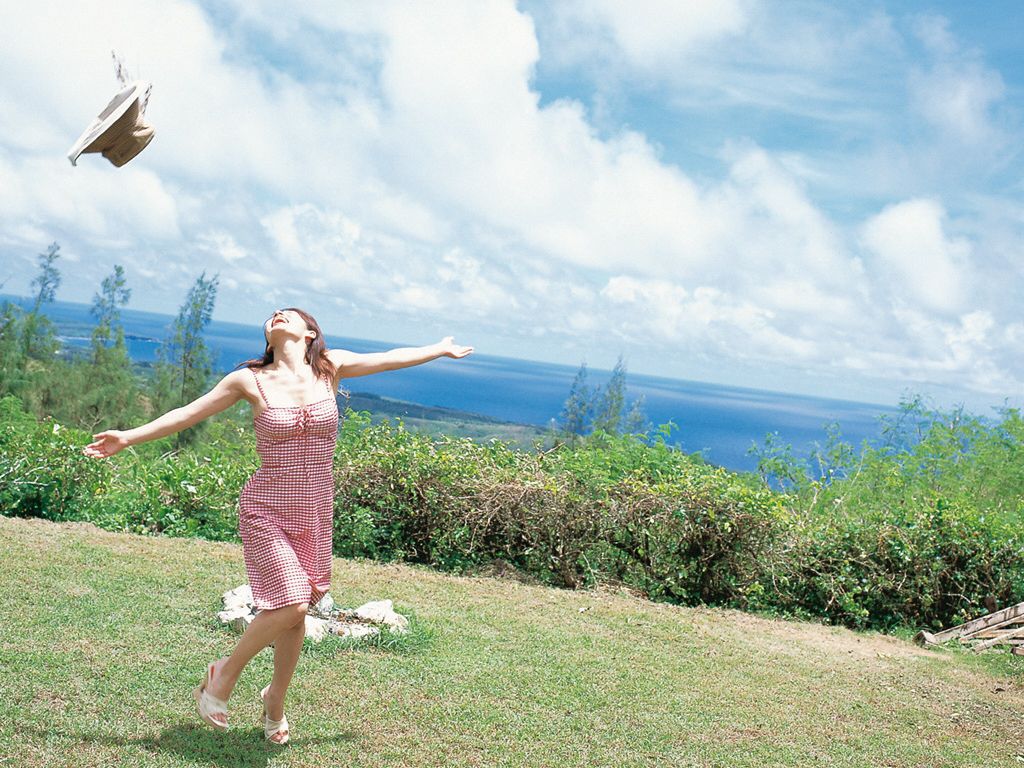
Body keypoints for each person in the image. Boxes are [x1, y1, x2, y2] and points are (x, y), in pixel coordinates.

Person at [83, 307, 473, 744]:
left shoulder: (331, 367)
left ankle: (276, 701)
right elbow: (188, 413)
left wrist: (438, 349)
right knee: (289, 602)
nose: (278, 315)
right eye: (272, 315)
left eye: (289, 314)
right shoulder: (248, 380)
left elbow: (390, 357)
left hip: (315, 511)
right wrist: (129, 437)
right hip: (266, 506)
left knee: (297, 612)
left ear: (310, 333)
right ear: (269, 337)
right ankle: (222, 677)